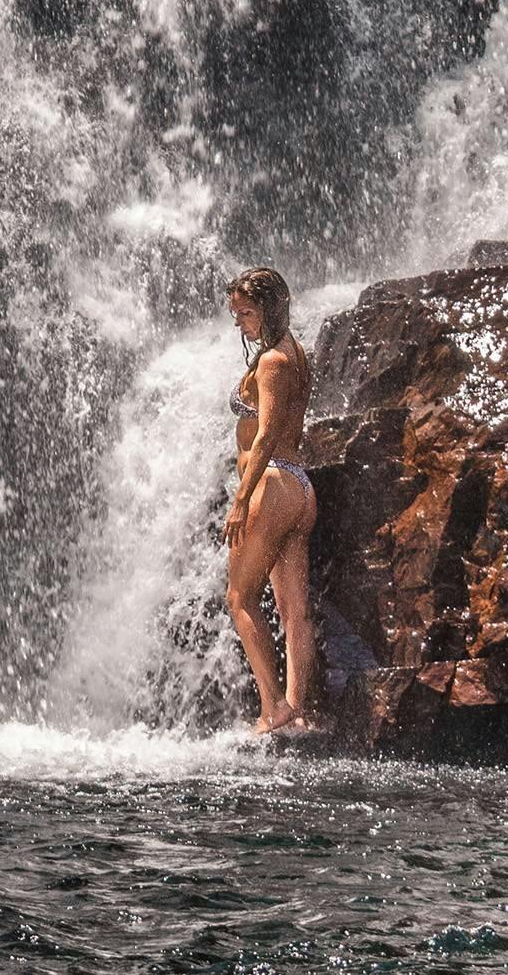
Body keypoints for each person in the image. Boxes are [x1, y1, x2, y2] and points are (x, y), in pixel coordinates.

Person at [221, 265, 320, 736]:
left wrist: (241, 499)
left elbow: (265, 437)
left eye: (246, 313)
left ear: (270, 308)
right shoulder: (297, 353)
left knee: (239, 598)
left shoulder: (271, 362)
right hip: (299, 487)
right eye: (236, 314)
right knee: (293, 610)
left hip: (273, 485)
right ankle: (296, 710)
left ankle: (272, 707)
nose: (239, 322)